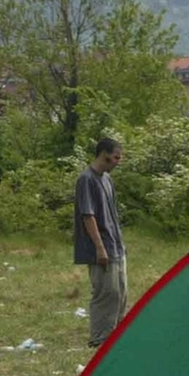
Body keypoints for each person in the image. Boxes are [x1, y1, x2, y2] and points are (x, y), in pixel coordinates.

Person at [74, 138, 127, 348]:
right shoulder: (86, 180)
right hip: (101, 247)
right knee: (106, 293)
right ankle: (100, 339)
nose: (117, 162)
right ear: (103, 154)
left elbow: (112, 214)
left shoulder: (107, 180)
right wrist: (99, 248)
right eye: (115, 157)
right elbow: (88, 215)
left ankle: (115, 337)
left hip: (116, 245)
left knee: (120, 293)